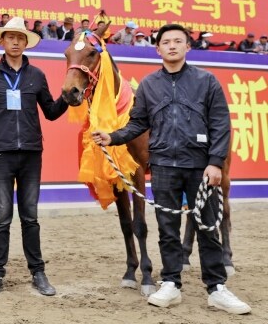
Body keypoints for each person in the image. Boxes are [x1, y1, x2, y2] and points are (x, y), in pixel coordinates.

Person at [92, 24, 251, 315]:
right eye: (166, 42)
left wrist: (215, 162)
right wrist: (112, 137)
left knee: (207, 227)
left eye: (178, 41)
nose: (173, 46)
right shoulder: (149, 85)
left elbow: (220, 124)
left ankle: (217, 288)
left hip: (200, 167)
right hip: (163, 166)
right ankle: (171, 283)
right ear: (158, 49)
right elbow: (138, 123)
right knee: (167, 229)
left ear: (188, 47)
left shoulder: (207, 81)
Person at [0, 17, 68, 297]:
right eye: (10, 37)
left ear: (26, 43)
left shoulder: (37, 76)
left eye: (20, 38)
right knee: (1, 217)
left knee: (30, 217)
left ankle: (38, 272)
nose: (15, 42)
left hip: (32, 154)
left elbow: (50, 112)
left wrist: (67, 99)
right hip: (1, 154)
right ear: (2, 41)